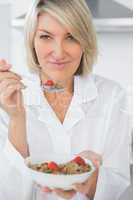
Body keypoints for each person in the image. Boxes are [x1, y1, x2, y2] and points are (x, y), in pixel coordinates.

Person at [0, 0, 131, 200]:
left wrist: (92, 180)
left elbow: (118, 187)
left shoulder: (112, 96)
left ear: (85, 41)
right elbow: (9, 193)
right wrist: (17, 118)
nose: (59, 52)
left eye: (71, 37)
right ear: (31, 41)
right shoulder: (7, 99)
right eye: (45, 36)